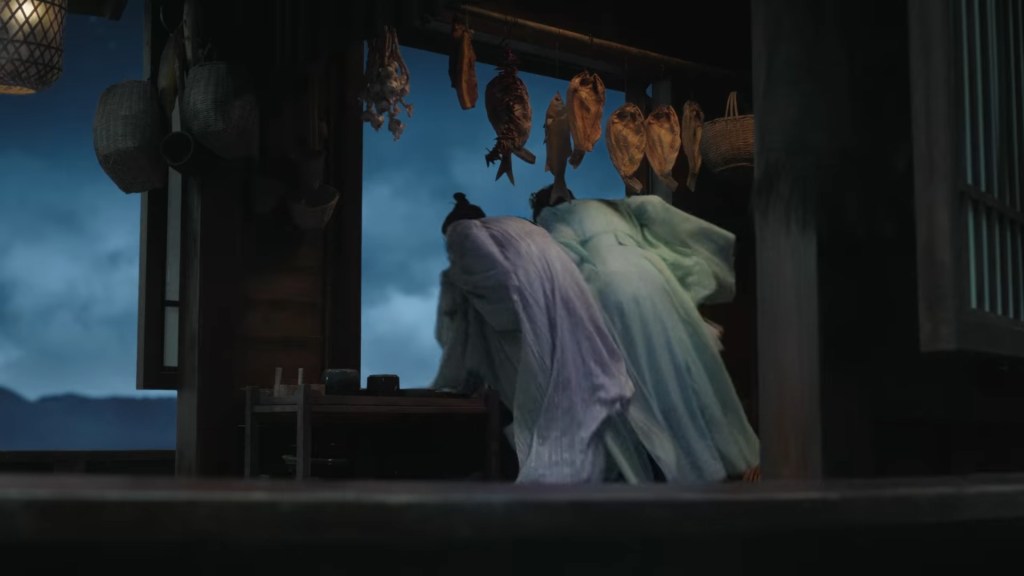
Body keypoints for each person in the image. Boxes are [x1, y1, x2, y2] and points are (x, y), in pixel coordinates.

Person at [531, 185, 761, 483]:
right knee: (677, 371)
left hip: (611, 287)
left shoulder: (553, 218)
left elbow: (565, 262)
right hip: (654, 277)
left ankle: (663, 467)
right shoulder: (614, 208)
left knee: (633, 381)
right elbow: (654, 209)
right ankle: (706, 460)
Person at [430, 193, 652, 483]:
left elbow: (499, 294)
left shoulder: (462, 232)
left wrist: (459, 284)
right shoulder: (521, 229)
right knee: (573, 391)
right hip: (568, 303)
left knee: (546, 404)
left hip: (532, 310)